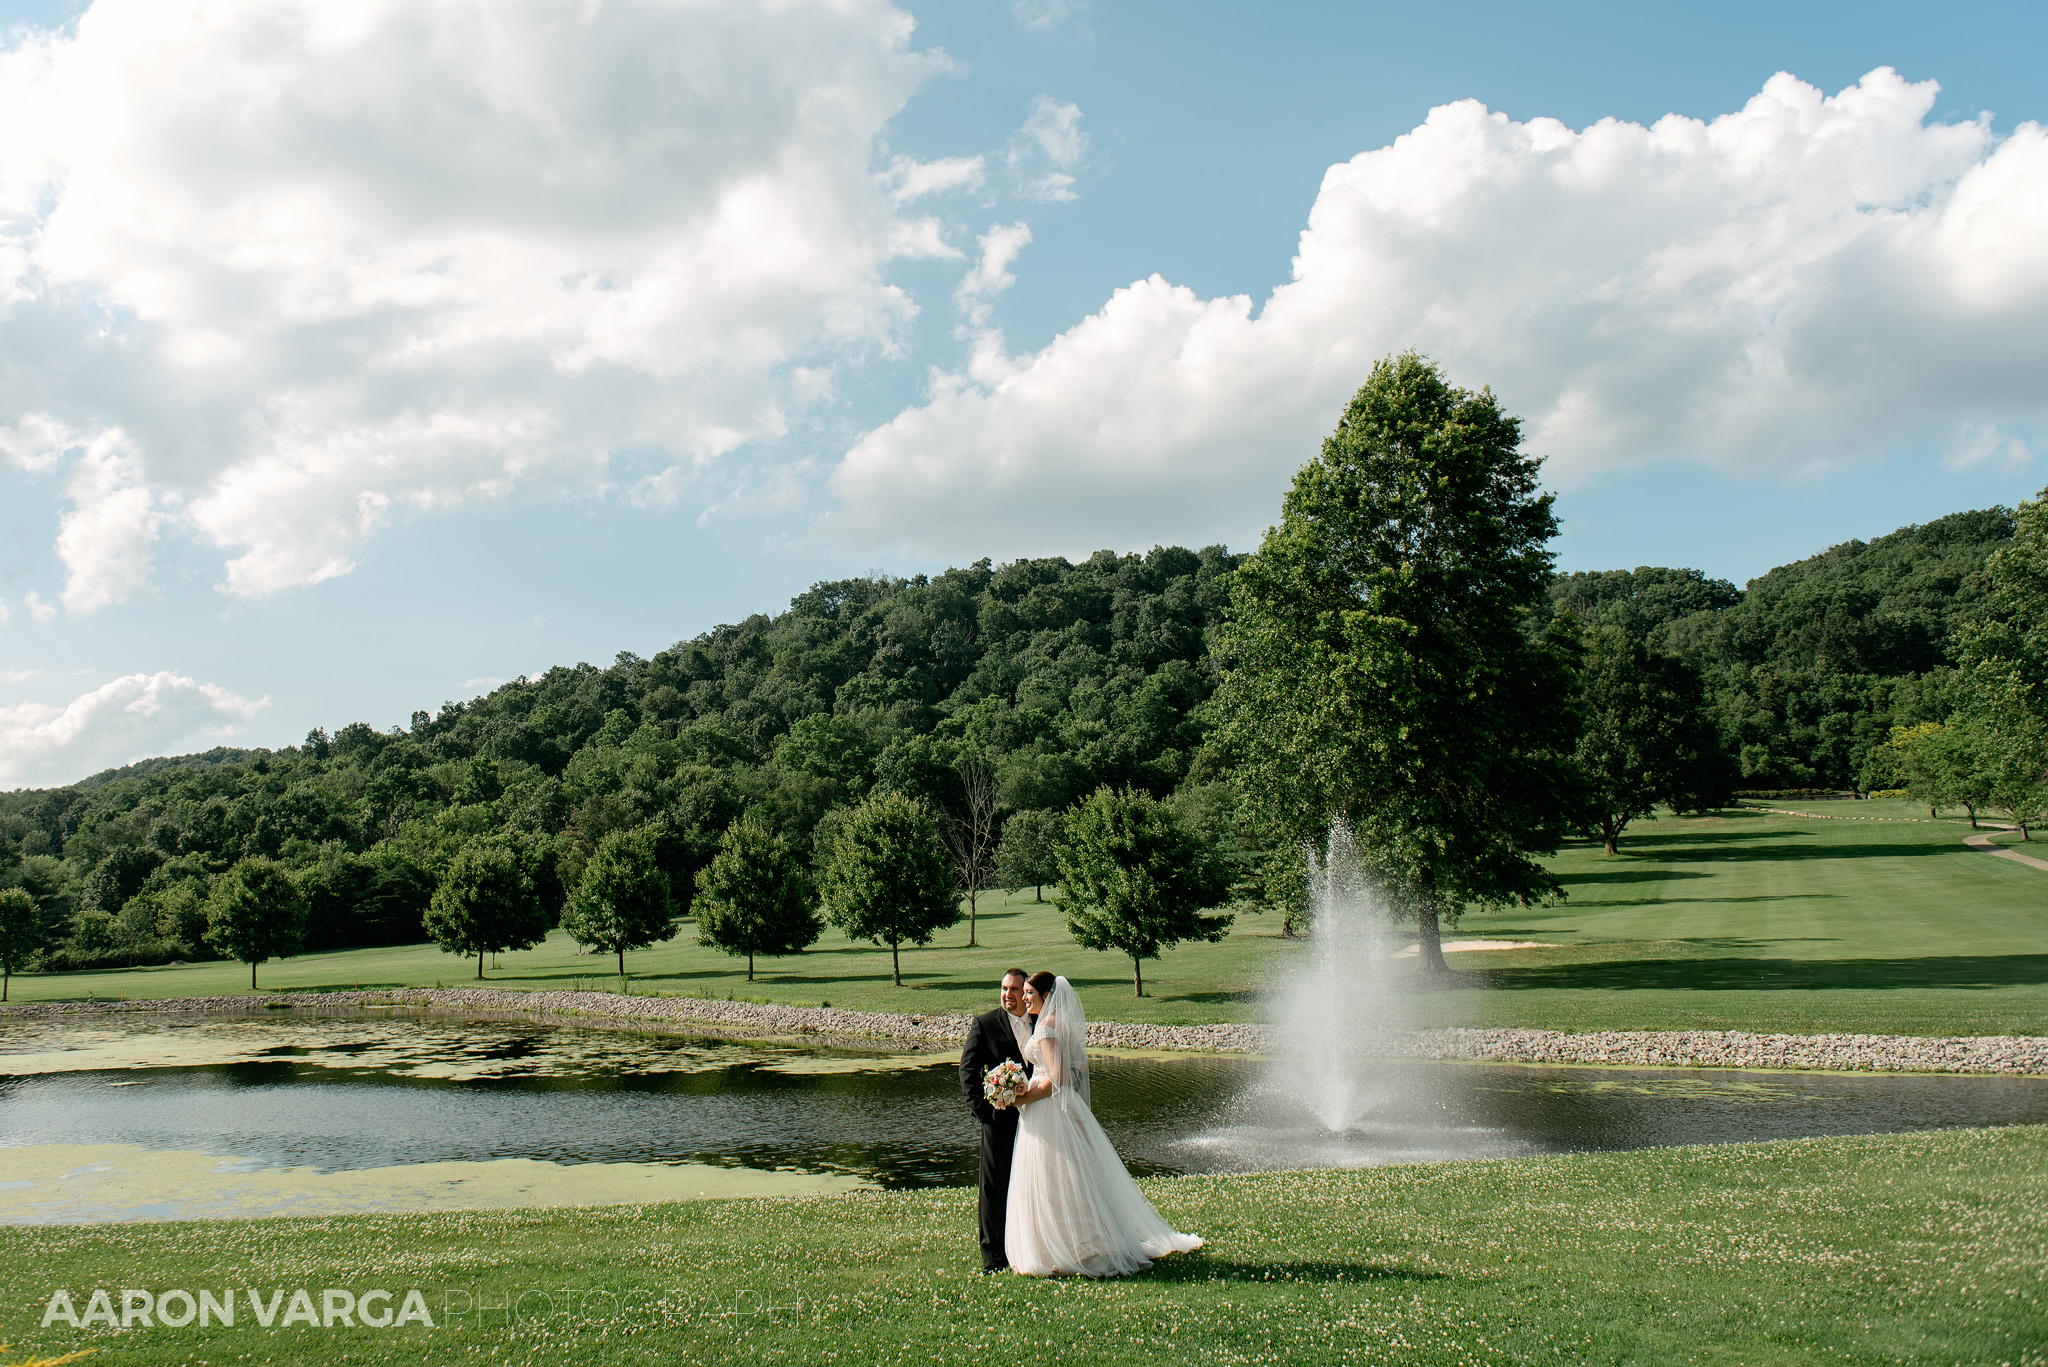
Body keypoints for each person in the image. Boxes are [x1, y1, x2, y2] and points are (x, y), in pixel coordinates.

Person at [1004, 971, 1205, 1277]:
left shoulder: (1046, 1028)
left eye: (1030, 993)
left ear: (1046, 997)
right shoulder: (1061, 1026)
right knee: (1068, 1177)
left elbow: (1057, 1078)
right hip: (1059, 1109)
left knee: (1053, 1178)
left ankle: (1069, 1249)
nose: (1025, 998)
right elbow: (1074, 1072)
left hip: (1049, 1111)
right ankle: (1075, 1243)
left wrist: (1022, 1098)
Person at [958, 967, 1035, 1273]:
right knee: (994, 1188)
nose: (1008, 994)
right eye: (1004, 988)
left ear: (1025, 993)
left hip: (1035, 1121)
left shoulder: (1039, 1022)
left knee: (1031, 1183)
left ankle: (1026, 1247)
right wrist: (984, 1112)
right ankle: (993, 1258)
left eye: (1015, 989)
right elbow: (967, 1070)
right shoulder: (986, 1024)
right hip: (999, 1121)